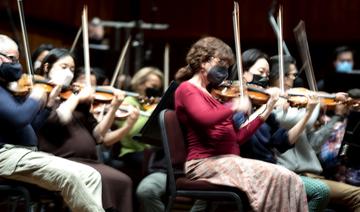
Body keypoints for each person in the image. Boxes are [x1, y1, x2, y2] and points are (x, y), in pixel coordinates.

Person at [175, 36, 308, 212]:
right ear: (203, 61)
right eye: (220, 62)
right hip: (204, 163)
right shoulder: (187, 89)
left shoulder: (212, 96)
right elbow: (204, 118)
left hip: (227, 161)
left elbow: (238, 138)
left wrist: (266, 110)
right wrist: (234, 106)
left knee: (290, 177)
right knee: (278, 177)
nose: (224, 69)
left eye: (226, 65)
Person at [0, 35, 105, 212]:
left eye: (17, 59)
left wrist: (48, 105)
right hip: (5, 154)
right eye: (11, 59)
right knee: (72, 177)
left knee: (91, 175)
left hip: (22, 154)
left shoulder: (7, 87)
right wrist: (35, 97)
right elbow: (19, 117)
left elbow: (29, 127)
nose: (16, 64)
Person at [36, 48, 137, 212]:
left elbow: (98, 136)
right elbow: (58, 120)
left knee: (124, 180)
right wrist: (77, 98)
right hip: (61, 159)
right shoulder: (41, 93)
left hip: (90, 161)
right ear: (47, 67)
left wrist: (113, 108)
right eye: (63, 67)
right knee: (101, 179)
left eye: (72, 69)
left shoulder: (74, 98)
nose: (69, 72)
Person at [270, 55, 360, 212]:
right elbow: (287, 120)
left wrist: (337, 116)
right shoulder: (274, 108)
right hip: (294, 175)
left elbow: (315, 145)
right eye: (290, 75)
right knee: (357, 195)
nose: (293, 79)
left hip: (313, 173)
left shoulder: (296, 106)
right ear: (277, 75)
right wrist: (315, 104)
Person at [114, 67, 163, 168]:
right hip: (131, 152)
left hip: (150, 152)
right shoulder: (127, 102)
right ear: (140, 84)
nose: (155, 91)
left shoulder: (151, 104)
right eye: (153, 86)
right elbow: (131, 133)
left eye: (158, 88)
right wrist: (153, 110)